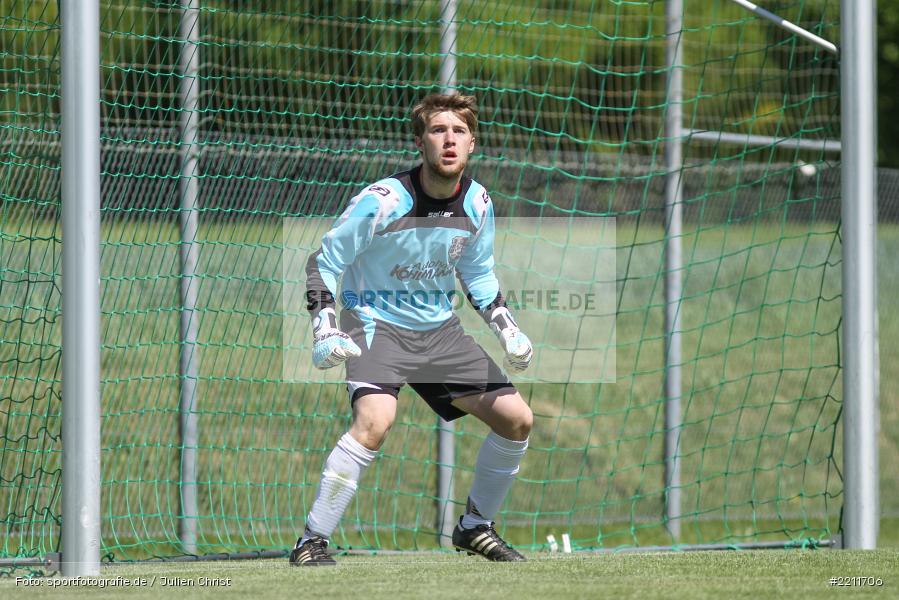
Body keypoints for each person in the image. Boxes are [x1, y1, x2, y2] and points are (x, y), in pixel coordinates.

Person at [290, 93, 534, 566]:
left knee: (517, 419)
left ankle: (475, 527)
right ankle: (311, 541)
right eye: (438, 131)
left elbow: (479, 274)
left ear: (472, 144)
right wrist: (324, 328)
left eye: (458, 132)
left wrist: (508, 328)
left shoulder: (479, 202)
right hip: (376, 325)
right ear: (419, 141)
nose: (449, 140)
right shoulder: (383, 201)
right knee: (375, 422)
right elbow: (323, 262)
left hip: (439, 333)